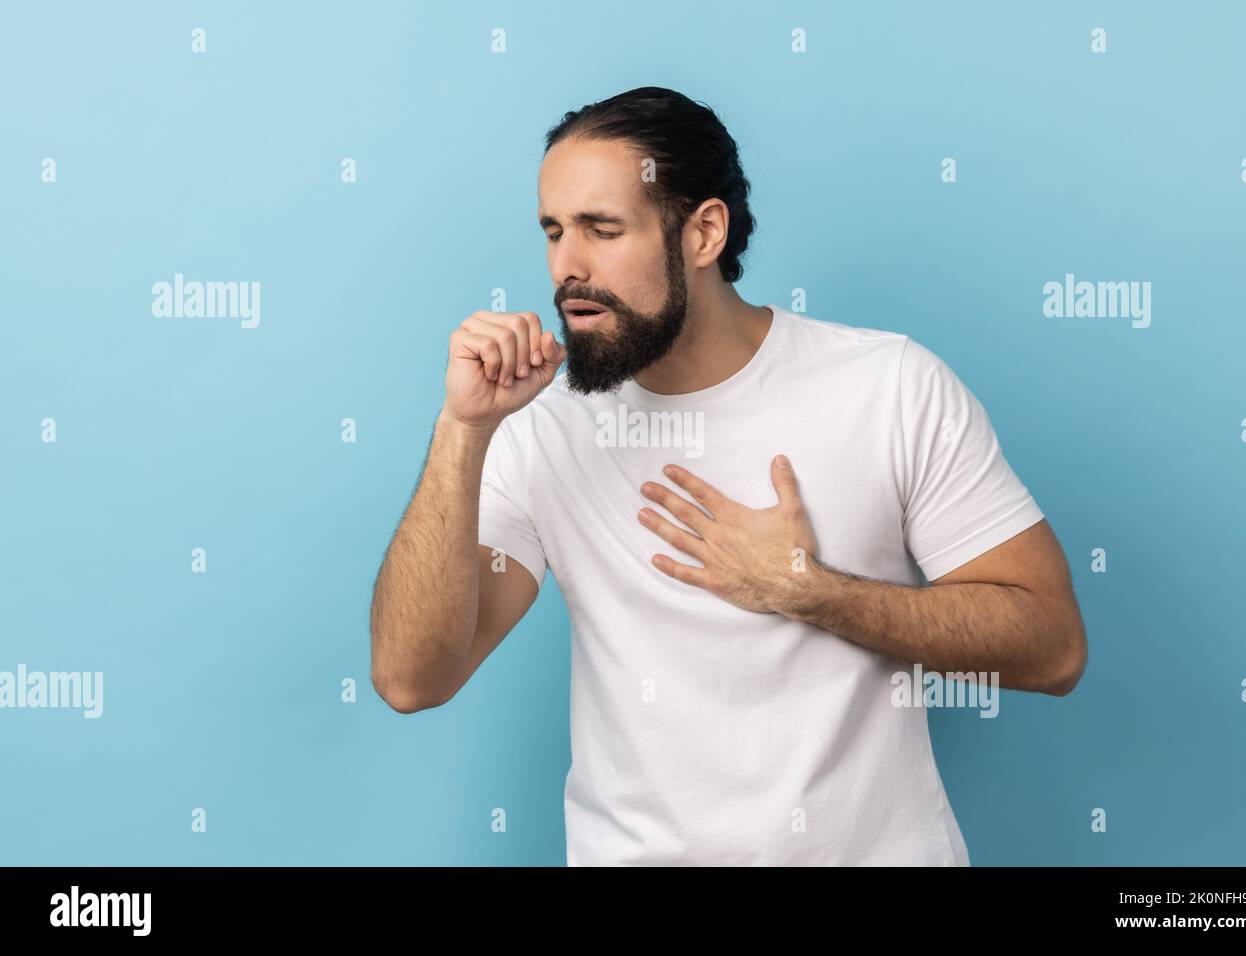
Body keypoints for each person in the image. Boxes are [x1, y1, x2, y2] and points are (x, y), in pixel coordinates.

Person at [370, 86, 1087, 866]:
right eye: (553, 232)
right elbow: (414, 678)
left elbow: (1051, 650)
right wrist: (463, 430)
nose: (566, 269)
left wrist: (812, 592)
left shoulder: (889, 386)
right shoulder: (540, 426)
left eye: (603, 230)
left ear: (704, 232)